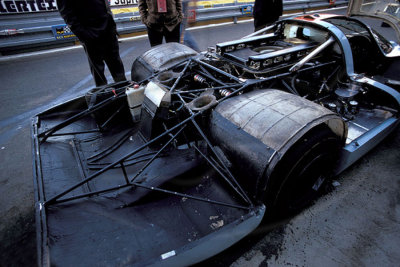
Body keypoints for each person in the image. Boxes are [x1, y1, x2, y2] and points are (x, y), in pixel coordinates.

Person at [56, 0, 126, 87]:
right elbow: (67, 15)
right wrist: (85, 35)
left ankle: (124, 93)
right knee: (98, 72)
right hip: (90, 35)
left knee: (117, 67)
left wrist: (111, 26)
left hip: (108, 31)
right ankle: (102, 94)